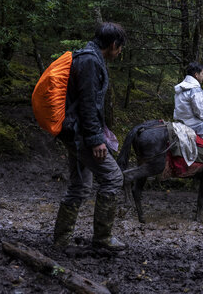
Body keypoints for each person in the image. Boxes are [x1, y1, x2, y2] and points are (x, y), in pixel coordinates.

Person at [53, 22, 127, 251]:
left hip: (74, 131)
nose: (120, 52)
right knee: (113, 178)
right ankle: (102, 238)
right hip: (81, 134)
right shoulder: (91, 62)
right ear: (114, 45)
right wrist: (96, 139)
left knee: (80, 185)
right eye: (120, 48)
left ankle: (61, 240)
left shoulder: (88, 57)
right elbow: (88, 104)